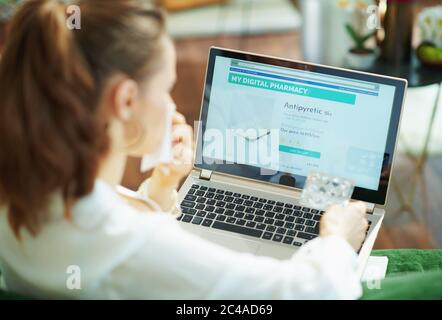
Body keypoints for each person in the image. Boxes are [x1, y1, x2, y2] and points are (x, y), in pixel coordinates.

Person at [0, 0, 368, 299]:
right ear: (126, 100)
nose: (172, 105)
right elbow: (310, 293)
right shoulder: (131, 243)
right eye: (165, 88)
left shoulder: (24, 185)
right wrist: (337, 238)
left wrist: (162, 186)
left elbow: (115, 227)